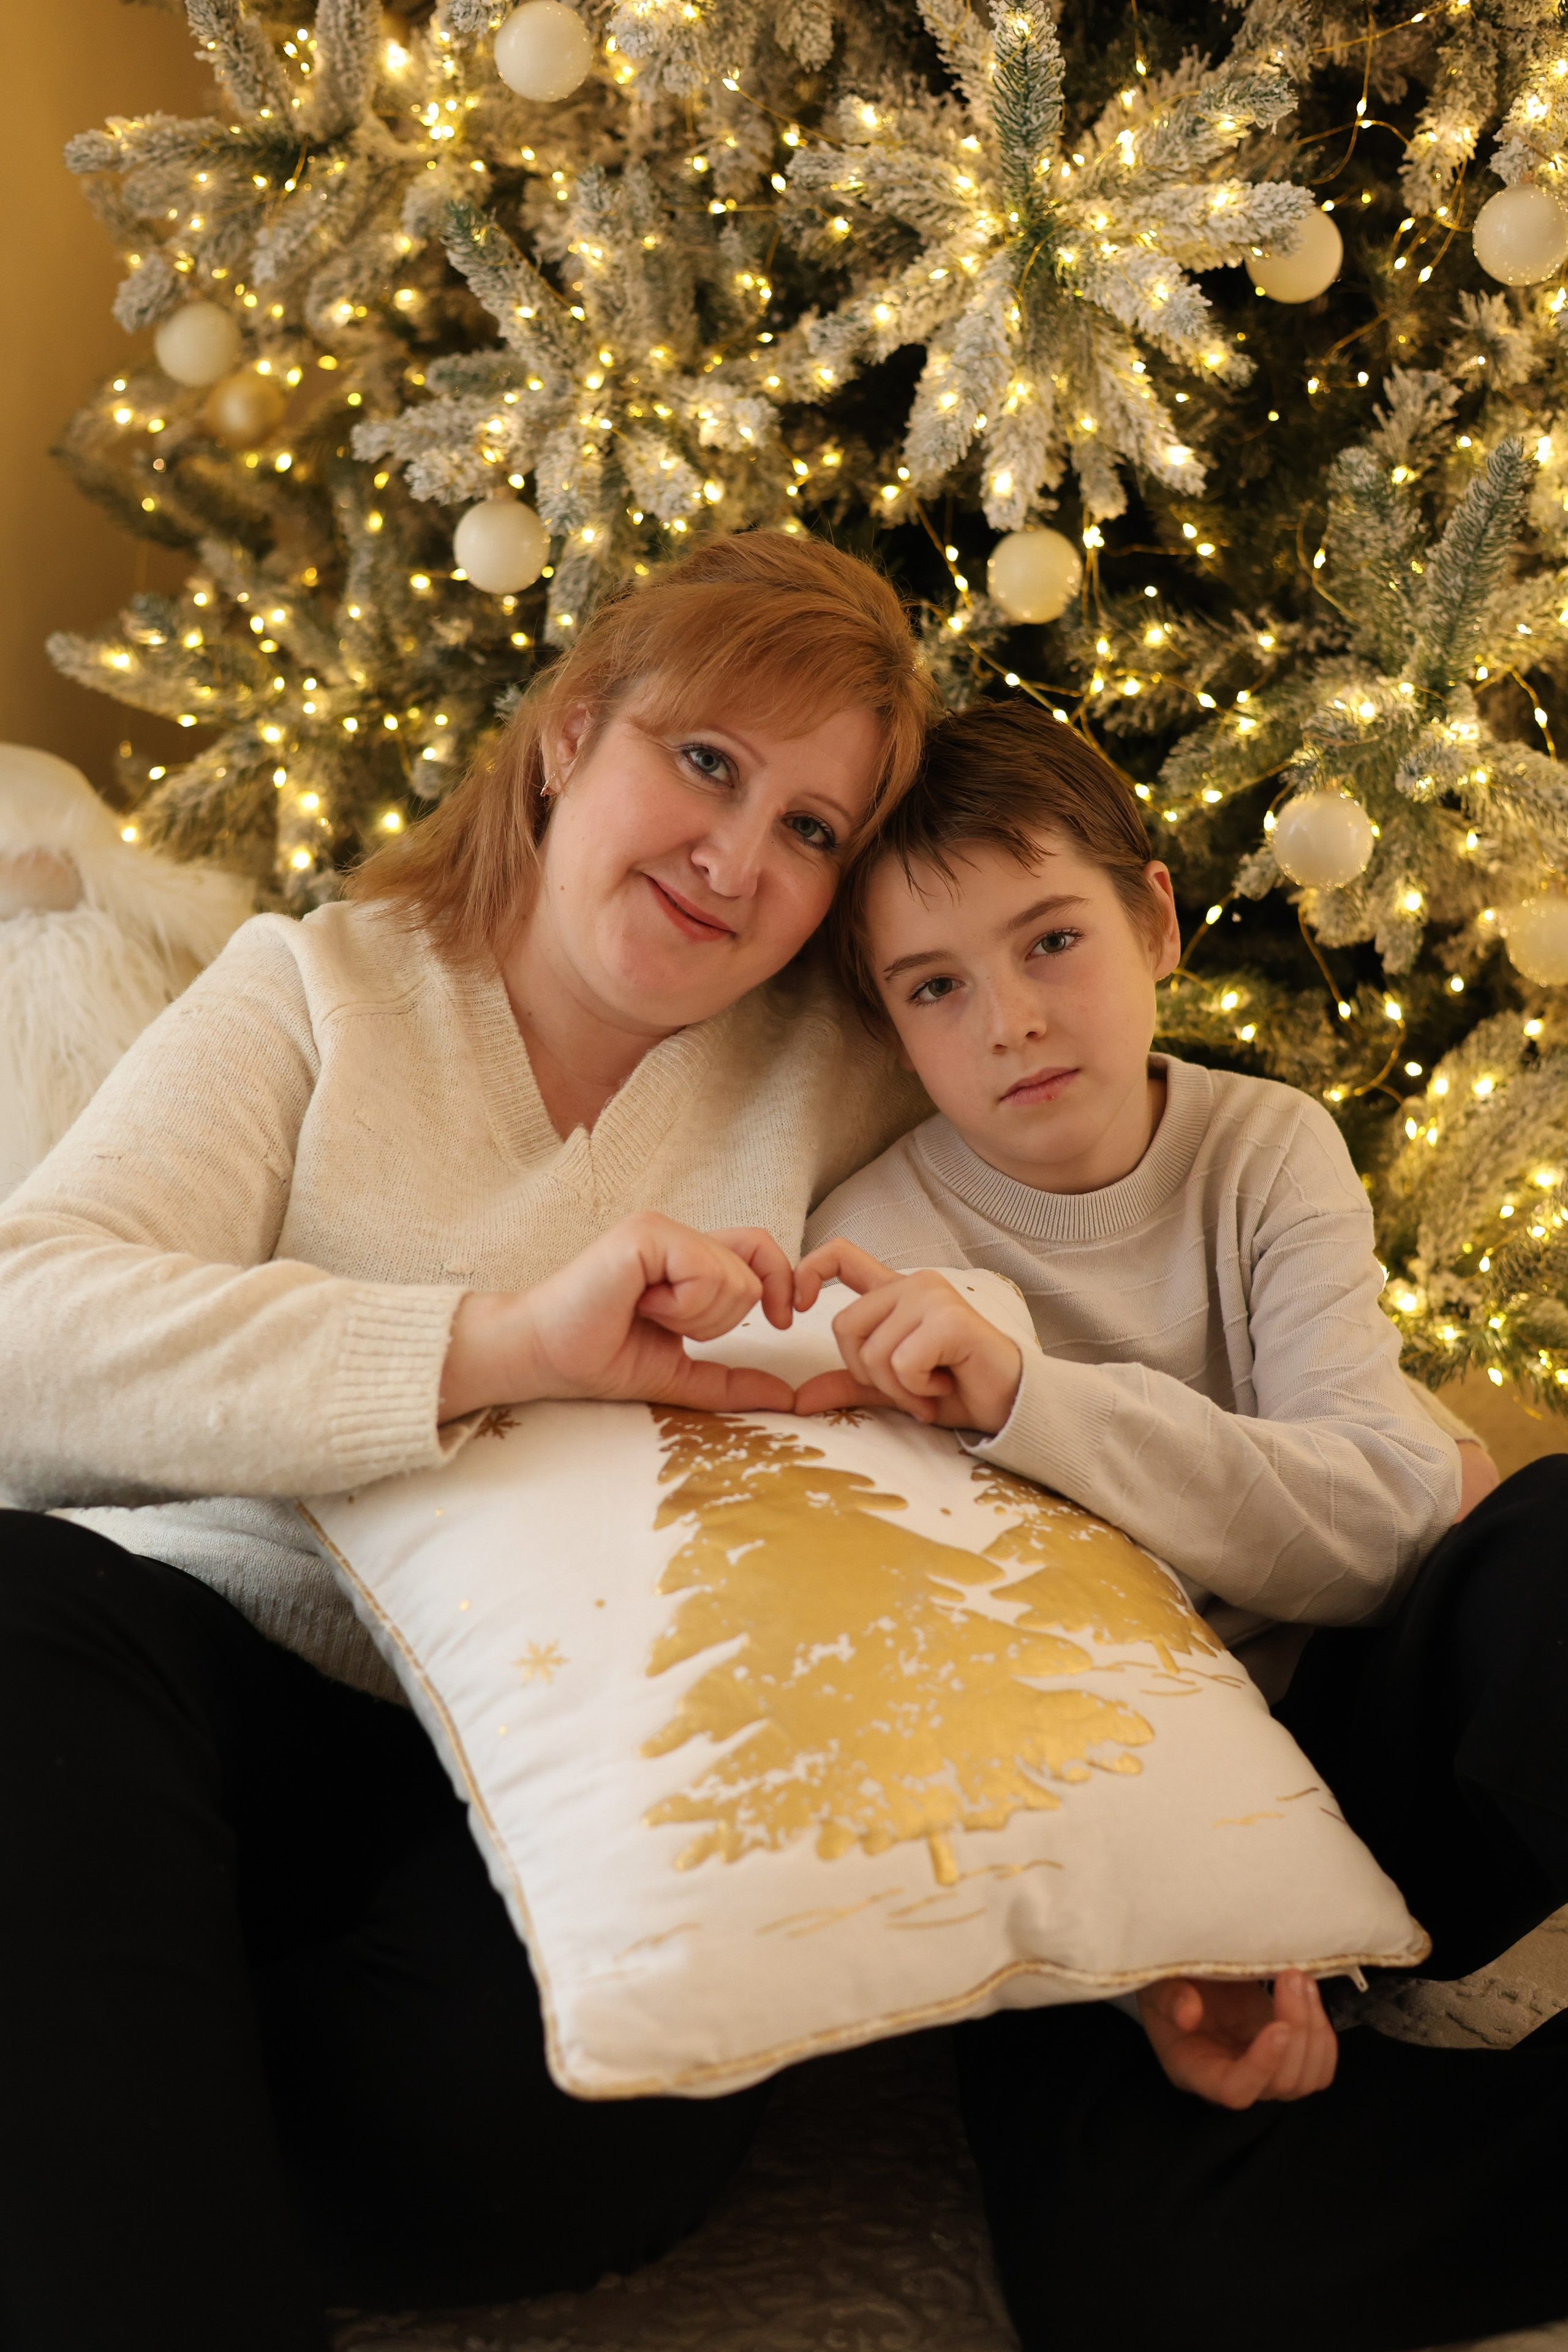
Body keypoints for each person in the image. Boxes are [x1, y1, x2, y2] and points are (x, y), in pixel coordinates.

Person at [0, 531, 938, 2352]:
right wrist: (497, 1347)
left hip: (564, 1754)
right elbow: (23, 1341)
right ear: (573, 734)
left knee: (585, 2146)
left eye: (813, 831)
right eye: (709, 762)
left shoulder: (851, 1065)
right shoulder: (314, 987)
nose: (738, 860)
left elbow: (1097, 1206)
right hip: (216, 1685)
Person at [794, 698, 1568, 2350]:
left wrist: (1031, 1401)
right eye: (937, 988)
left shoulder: (1263, 1147)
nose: (1011, 1019)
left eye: (1052, 940)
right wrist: (1166, 1951)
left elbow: (1376, 1529)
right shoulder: (875, 1244)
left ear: (1152, 917)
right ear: (891, 1025)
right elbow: (982, 1685)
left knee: (1553, 1544)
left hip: (1354, 1753)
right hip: (1109, 1852)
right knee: (1147, 2286)